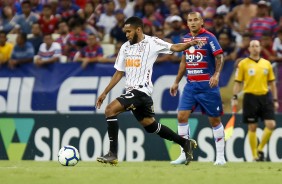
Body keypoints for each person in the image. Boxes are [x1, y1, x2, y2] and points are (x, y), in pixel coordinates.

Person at [95, 16, 204, 166]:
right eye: (125, 32)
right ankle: (185, 143)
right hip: (134, 93)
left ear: (138, 30)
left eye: (129, 31)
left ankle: (112, 153)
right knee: (150, 126)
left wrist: (189, 44)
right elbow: (119, 72)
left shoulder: (152, 42)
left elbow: (174, 47)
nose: (126, 35)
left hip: (141, 91)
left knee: (110, 110)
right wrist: (105, 92)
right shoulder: (125, 47)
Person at [170, 12, 226, 165]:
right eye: (190, 20)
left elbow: (219, 56)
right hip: (191, 86)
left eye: (196, 20)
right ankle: (184, 154)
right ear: (187, 23)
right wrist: (176, 81)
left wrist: (216, 74)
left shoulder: (209, 37)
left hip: (208, 86)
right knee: (181, 116)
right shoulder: (186, 39)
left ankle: (220, 157)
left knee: (214, 120)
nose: (193, 22)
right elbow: (184, 61)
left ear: (202, 22)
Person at [232, 40, 278, 161]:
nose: (254, 48)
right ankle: (254, 156)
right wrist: (235, 97)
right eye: (252, 46)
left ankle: (260, 148)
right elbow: (237, 83)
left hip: (265, 96)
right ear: (249, 49)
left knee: (271, 124)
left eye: (256, 46)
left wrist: (275, 99)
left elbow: (272, 83)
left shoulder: (266, 64)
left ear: (260, 48)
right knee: (252, 127)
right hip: (250, 97)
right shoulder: (243, 64)